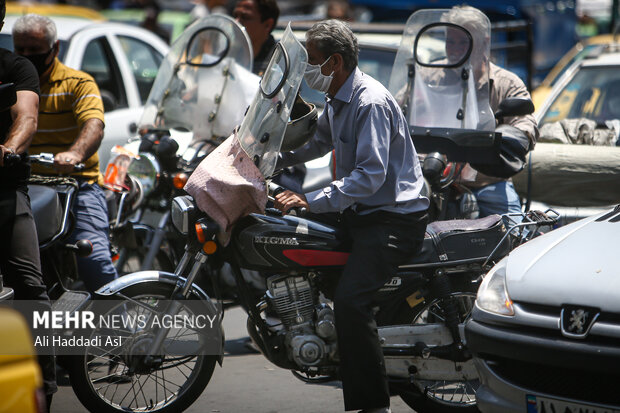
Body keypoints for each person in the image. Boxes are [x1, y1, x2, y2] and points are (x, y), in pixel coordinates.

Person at [273, 19, 429, 413]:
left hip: (392, 219)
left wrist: (311, 199)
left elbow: (370, 176)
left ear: (335, 62)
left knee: (351, 302)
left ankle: (375, 405)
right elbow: (319, 142)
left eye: (311, 61)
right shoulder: (339, 98)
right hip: (363, 213)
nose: (307, 70)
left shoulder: (368, 102)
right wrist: (270, 158)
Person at [13, 13, 119, 293]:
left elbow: (94, 125)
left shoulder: (78, 83)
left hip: (76, 184)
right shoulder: (8, 85)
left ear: (54, 49)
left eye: (34, 51)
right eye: (19, 50)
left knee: (94, 260)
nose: (25, 56)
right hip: (22, 185)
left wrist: (74, 154)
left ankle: (123, 332)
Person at [0, 1, 56, 410]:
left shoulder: (17, 68)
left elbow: (27, 116)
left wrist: (8, 149)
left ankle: (45, 389)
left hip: (4, 190)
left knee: (29, 288)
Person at [443, 5, 539, 217]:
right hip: (438, 181)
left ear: (484, 44)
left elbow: (525, 124)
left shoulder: (507, 83)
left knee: (515, 236)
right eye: (450, 41)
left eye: (464, 42)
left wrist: (506, 140)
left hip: (489, 182)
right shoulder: (429, 77)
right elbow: (399, 110)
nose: (456, 49)